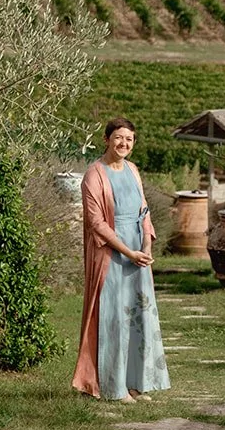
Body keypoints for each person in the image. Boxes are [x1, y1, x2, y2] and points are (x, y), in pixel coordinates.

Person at [71, 117, 170, 402]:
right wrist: (128, 252)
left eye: (129, 139)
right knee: (114, 318)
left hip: (138, 252)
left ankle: (136, 383)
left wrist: (146, 245)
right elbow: (96, 224)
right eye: (118, 137)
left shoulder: (133, 170)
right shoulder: (94, 175)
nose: (124, 143)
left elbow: (144, 211)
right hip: (111, 255)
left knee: (138, 317)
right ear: (106, 140)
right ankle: (113, 387)